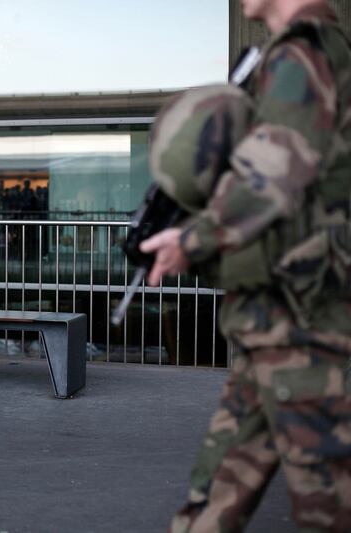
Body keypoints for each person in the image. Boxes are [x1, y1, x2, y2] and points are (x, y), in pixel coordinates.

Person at [139, 1, 351, 529]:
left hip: (306, 328)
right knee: (214, 492)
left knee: (326, 508)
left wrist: (195, 238)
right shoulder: (295, 55)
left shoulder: (305, 53)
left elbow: (271, 172)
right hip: (275, 318)